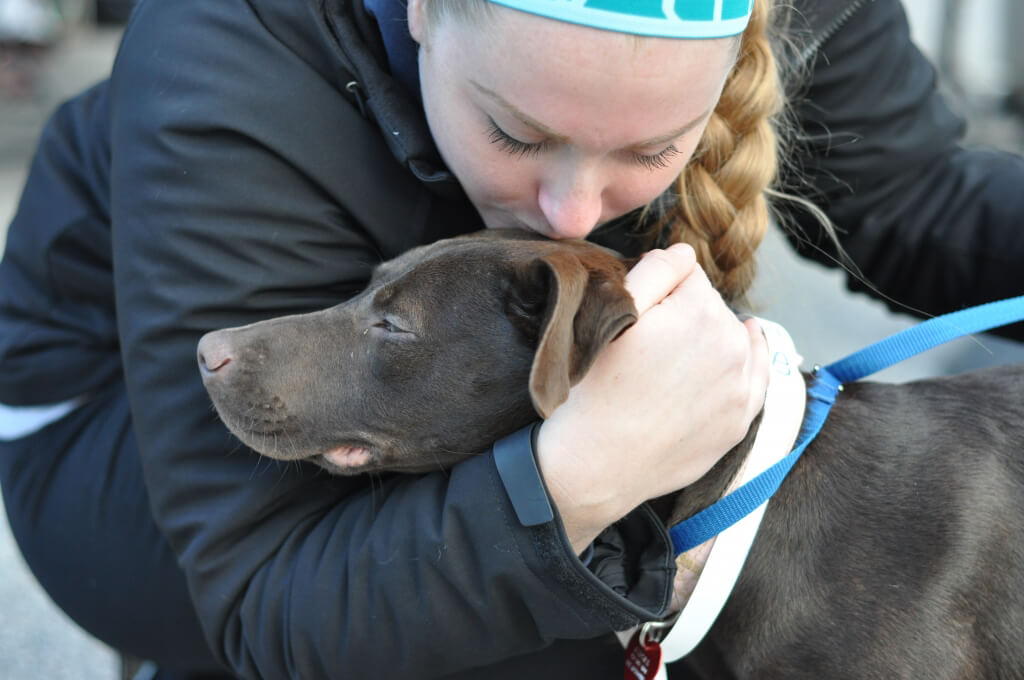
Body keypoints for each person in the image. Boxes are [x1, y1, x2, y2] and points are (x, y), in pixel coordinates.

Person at [0, 1, 1021, 679]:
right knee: (575, 603)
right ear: (422, 13)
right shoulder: (234, 47)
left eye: (650, 150)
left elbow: (917, 198)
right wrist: (578, 480)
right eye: (517, 133)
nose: (571, 212)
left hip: (460, 363)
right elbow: (268, 578)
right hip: (134, 439)